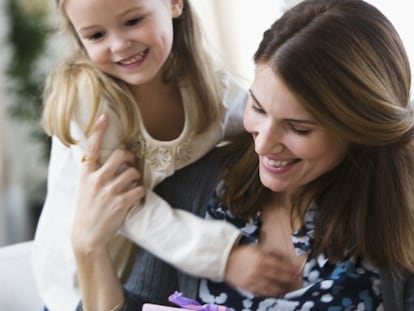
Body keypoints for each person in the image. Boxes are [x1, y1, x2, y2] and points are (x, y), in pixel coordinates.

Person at [73, 0, 414, 310]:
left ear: (359, 128)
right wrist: (89, 250)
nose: (263, 145)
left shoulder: (399, 211)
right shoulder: (191, 189)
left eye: (298, 128)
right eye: (258, 108)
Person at [32, 0, 299, 310]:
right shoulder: (90, 101)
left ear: (174, 4)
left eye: (132, 21)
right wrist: (225, 258)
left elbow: (261, 122)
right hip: (79, 284)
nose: (119, 45)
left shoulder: (208, 89)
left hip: (151, 275)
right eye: (96, 36)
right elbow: (125, 206)